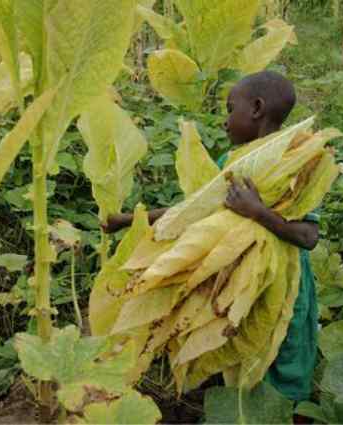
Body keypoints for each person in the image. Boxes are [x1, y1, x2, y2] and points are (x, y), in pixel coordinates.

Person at [103, 71, 320, 406]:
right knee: (234, 336)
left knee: (286, 347)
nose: (225, 122)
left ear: (257, 108)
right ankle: (235, 402)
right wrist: (126, 221)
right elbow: (189, 210)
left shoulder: (295, 160)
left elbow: (308, 236)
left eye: (230, 109)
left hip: (282, 277)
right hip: (232, 273)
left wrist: (258, 212)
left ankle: (292, 411)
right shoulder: (229, 165)